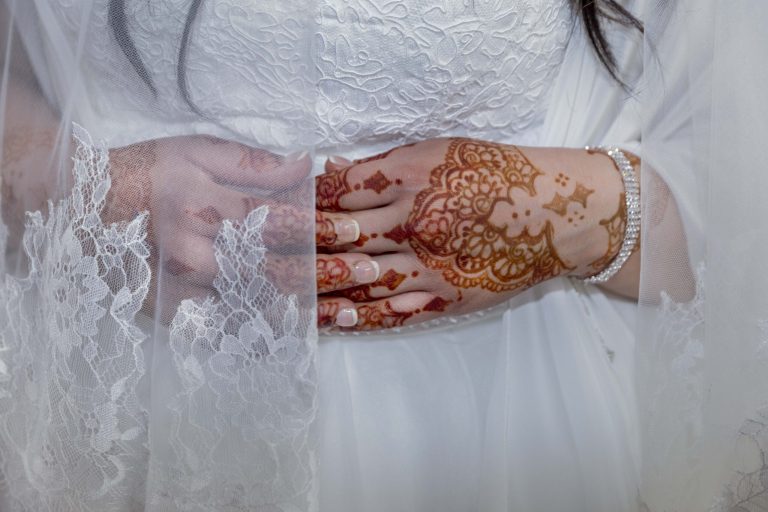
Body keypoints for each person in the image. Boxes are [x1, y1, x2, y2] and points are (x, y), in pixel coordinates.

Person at [0, 1, 767, 511]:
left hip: (507, 407)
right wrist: (75, 185)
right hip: (126, 388)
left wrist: (573, 210)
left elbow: (733, 134)